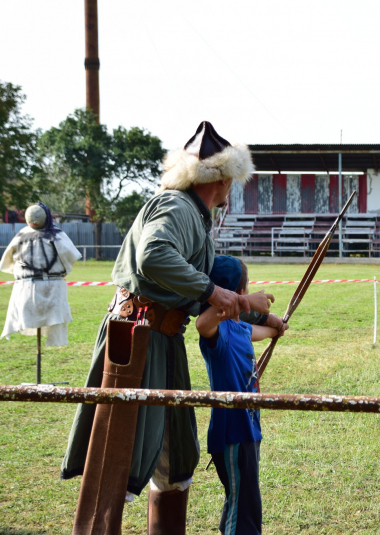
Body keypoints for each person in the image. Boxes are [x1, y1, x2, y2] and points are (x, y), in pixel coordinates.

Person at [60, 121, 285, 534]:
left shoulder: (192, 215)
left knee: (176, 458)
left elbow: (197, 287)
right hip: (137, 339)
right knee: (116, 460)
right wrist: (217, 293)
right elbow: (154, 257)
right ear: (221, 179)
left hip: (164, 339)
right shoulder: (177, 207)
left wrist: (254, 312)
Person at [197, 256, 288, 535]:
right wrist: (246, 303)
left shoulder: (238, 328)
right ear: (236, 295)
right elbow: (202, 324)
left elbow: (266, 331)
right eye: (245, 290)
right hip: (233, 434)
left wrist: (275, 324)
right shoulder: (217, 332)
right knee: (245, 511)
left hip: (248, 431)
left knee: (240, 503)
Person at [0, 202, 82, 347]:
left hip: (33, 289)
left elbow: (7, 263)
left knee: (50, 322)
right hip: (45, 287)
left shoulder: (20, 236)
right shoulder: (57, 235)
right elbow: (71, 256)